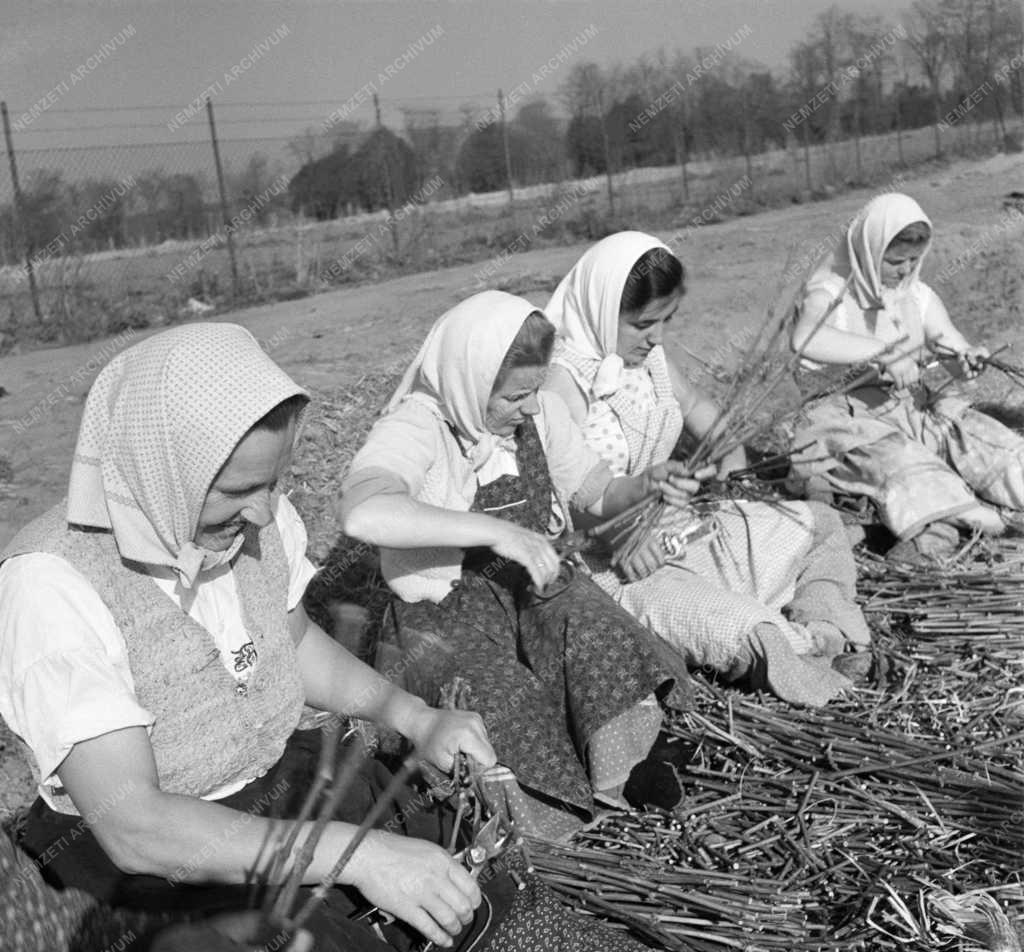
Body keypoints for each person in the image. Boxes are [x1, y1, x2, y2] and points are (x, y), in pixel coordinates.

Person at [0, 323, 645, 952]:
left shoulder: (251, 521)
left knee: (472, 893)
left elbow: (294, 641)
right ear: (160, 468)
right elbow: (135, 823)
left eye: (273, 482)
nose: (262, 512)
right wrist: (361, 857)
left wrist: (414, 715)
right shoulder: (53, 584)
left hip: (283, 783)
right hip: (168, 863)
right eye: (235, 491)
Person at [339, 291, 695, 841]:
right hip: (442, 613)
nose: (531, 407)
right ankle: (553, 825)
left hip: (527, 589)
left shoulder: (542, 414)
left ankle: (628, 770)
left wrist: (643, 488)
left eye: (535, 390)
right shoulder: (419, 426)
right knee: (505, 701)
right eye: (514, 396)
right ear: (469, 381)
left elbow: (596, 489)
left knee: (594, 629)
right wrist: (498, 531)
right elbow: (365, 512)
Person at [543, 231, 871, 706]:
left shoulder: (647, 359)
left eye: (666, 321)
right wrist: (620, 535)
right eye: (642, 323)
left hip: (680, 530)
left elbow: (694, 402)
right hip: (618, 569)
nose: (656, 336)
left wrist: (728, 454)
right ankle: (806, 653)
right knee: (753, 633)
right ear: (600, 306)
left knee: (821, 526)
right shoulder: (562, 383)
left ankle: (822, 629)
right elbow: (565, 492)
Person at [788, 192, 1024, 562]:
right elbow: (805, 338)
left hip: (911, 411)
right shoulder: (830, 291)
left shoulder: (917, 296)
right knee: (909, 468)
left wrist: (965, 360)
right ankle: (969, 520)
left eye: (914, 260)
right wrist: (883, 352)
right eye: (895, 261)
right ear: (868, 251)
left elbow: (951, 348)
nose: (905, 270)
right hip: (847, 423)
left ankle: (985, 504)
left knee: (995, 448)